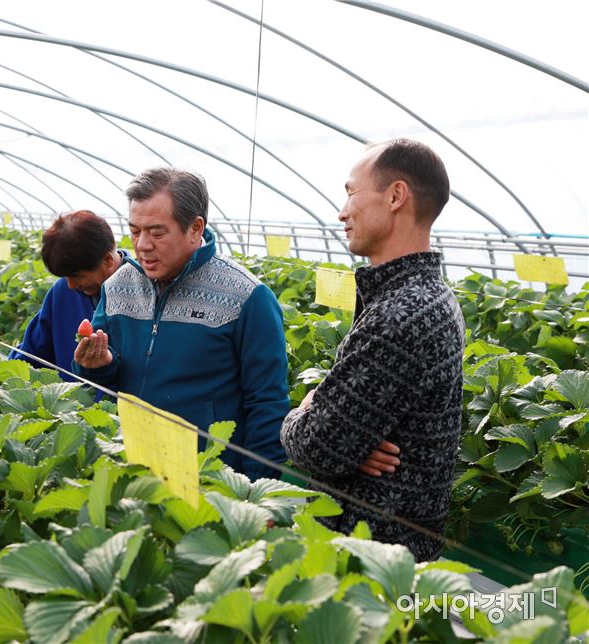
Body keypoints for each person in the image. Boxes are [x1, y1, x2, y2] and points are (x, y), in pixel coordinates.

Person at [280, 139, 464, 561]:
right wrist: (347, 441)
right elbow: (337, 443)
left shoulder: (402, 315)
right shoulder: (430, 295)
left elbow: (317, 445)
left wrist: (306, 408)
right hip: (393, 550)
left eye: (351, 193)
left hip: (365, 558)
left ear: (396, 196)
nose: (342, 212)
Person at [74, 168, 289, 480]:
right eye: (135, 231)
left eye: (157, 233)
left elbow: (267, 403)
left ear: (195, 228)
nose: (142, 245)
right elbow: (102, 379)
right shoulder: (117, 287)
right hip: (130, 468)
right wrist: (97, 365)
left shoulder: (246, 297)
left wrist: (255, 487)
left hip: (210, 479)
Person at [9, 210, 132, 379]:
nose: (71, 285)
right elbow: (32, 354)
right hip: (70, 395)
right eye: (65, 277)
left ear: (107, 260)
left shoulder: (144, 293)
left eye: (77, 276)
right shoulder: (62, 292)